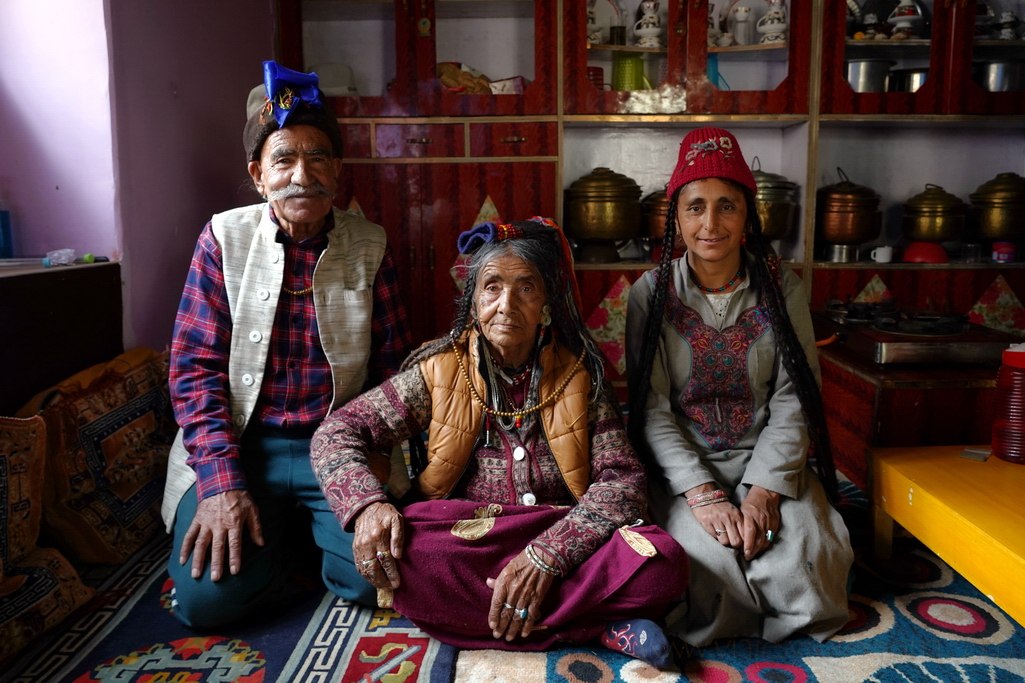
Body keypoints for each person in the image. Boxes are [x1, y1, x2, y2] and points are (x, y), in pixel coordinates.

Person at [310, 217, 689, 668]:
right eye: (492, 287)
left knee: (663, 561)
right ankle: (598, 627)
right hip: (468, 538)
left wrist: (548, 556)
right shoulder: (439, 372)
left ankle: (493, 618)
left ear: (546, 304)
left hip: (560, 530)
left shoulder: (577, 375)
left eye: (525, 288)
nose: (507, 304)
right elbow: (336, 432)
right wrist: (369, 505)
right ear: (474, 303)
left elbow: (622, 482)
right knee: (409, 554)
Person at [160, 61, 413, 629]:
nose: (303, 173)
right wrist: (221, 485)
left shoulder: (369, 245)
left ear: (338, 171)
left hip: (337, 448)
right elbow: (193, 371)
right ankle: (288, 544)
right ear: (257, 174)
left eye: (318, 156)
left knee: (382, 580)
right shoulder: (222, 238)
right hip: (241, 447)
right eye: (284, 159)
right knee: (206, 604)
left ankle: (304, 543)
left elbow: (394, 368)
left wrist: (373, 460)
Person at [625, 127, 853, 648]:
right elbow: (652, 409)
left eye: (726, 206)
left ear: (748, 215)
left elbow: (796, 398)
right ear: (676, 218)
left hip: (769, 464)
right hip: (686, 469)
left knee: (807, 571)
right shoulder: (648, 295)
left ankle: (775, 591)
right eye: (695, 206)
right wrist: (704, 496)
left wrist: (764, 492)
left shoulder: (783, 288)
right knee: (706, 571)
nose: (710, 223)